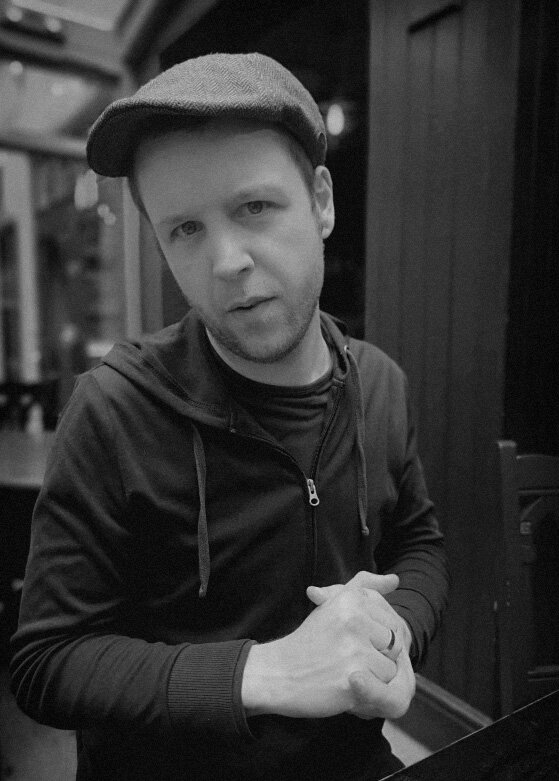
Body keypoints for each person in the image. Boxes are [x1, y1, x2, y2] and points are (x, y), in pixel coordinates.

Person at [10, 53, 449, 780]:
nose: (225, 261)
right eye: (185, 229)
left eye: (254, 208)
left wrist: (397, 634)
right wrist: (268, 671)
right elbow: (48, 659)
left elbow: (419, 543)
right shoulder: (113, 409)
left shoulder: (379, 384)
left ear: (321, 202)